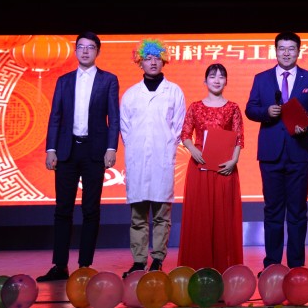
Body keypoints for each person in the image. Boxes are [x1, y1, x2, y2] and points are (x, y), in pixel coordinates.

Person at [37, 32, 120, 282]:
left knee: (91, 209)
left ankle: (84, 265)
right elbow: (55, 116)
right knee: (63, 209)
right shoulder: (64, 81)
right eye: (81, 47)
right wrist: (51, 149)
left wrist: (111, 148)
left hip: (94, 150)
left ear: (98, 52)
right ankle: (60, 265)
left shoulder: (108, 80)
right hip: (67, 150)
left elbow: (113, 117)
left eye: (90, 47)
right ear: (75, 51)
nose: (85, 51)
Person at [244, 32, 308, 270]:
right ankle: (272, 265)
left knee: (298, 212)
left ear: (298, 51)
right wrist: (266, 112)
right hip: (271, 154)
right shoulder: (261, 78)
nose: (286, 53)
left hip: (299, 153)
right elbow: (250, 109)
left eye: (291, 49)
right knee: (273, 211)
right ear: (275, 51)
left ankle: (297, 267)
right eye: (282, 48)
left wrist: (307, 124)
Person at [119, 38, 186, 277]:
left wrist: (165, 147)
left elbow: (178, 127)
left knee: (161, 215)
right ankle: (139, 261)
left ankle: (157, 259)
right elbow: (125, 129)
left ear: (164, 60)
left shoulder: (174, 92)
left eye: (157, 57)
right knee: (138, 216)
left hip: (162, 159)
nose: (153, 62)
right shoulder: (130, 94)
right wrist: (137, 149)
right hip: (138, 160)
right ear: (140, 62)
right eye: (148, 58)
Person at [178, 63, 244, 273]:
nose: (217, 80)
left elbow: (239, 138)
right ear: (205, 81)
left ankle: (224, 271)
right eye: (213, 76)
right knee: (201, 219)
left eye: (221, 76)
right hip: (200, 167)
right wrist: (193, 151)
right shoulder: (195, 107)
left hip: (225, 168)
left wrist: (234, 161)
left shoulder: (233, 108)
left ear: (226, 81)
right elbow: (185, 134)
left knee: (224, 219)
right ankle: (198, 269)